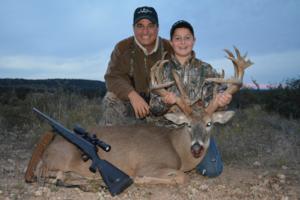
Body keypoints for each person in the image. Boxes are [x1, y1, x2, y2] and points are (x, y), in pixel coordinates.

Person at [149, 20, 232, 177]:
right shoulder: (162, 71)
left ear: (194, 40)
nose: (183, 42)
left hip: (198, 129)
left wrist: (222, 103)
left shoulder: (206, 70)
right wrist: (165, 102)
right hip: (164, 131)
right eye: (178, 38)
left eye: (187, 38)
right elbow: (153, 107)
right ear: (171, 42)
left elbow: (216, 102)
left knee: (213, 170)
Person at [100, 6, 173, 126]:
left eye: (150, 26)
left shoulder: (169, 48)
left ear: (157, 28)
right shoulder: (122, 47)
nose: (145, 31)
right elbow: (112, 77)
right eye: (140, 26)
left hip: (163, 104)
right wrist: (132, 95)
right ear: (133, 28)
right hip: (132, 104)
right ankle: (114, 140)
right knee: (111, 99)